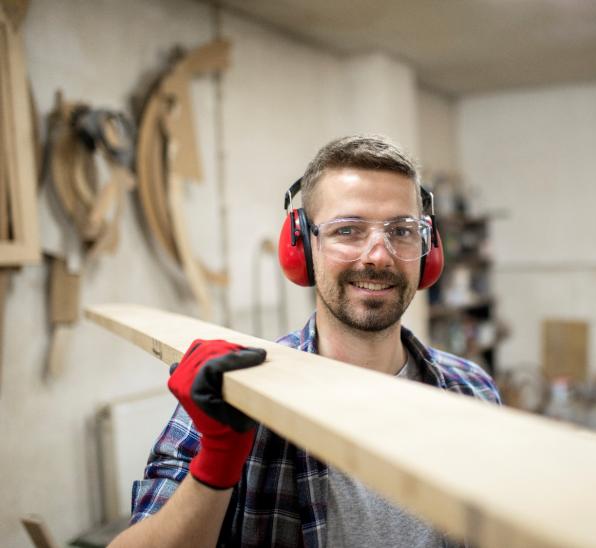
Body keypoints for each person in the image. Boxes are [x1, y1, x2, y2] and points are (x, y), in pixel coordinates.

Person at [110, 135, 501, 547]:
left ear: (428, 249)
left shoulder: (471, 389)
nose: (380, 256)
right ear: (302, 246)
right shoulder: (239, 396)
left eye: (402, 231)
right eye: (348, 230)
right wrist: (217, 461)